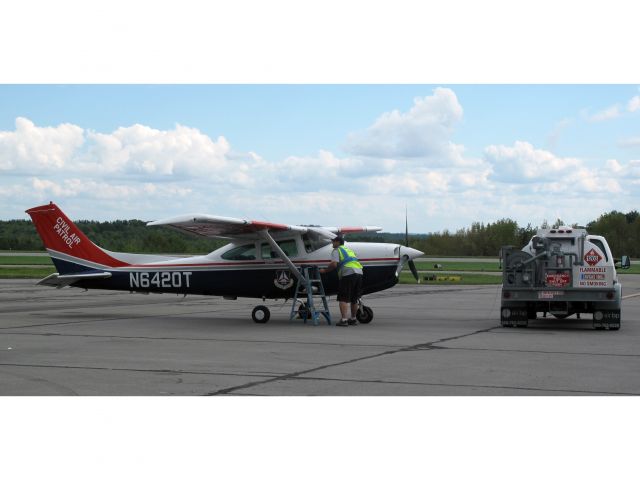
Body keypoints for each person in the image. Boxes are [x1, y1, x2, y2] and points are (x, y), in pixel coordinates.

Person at [320, 235, 363, 327]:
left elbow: (334, 264)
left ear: (338, 242)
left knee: (343, 298)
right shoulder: (349, 250)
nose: (332, 243)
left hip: (348, 273)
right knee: (354, 298)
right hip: (359, 272)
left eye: (333, 241)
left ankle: (343, 320)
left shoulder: (336, 250)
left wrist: (325, 271)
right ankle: (353, 319)